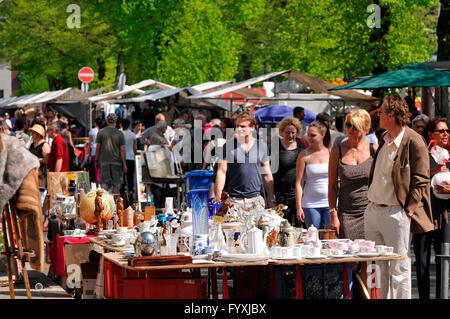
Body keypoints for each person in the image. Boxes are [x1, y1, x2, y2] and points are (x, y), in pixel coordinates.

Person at [365, 94, 434, 299]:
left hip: (396, 213)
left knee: (399, 269)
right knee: (374, 267)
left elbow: (421, 180)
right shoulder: (383, 137)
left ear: (393, 114)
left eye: (382, 112)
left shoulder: (413, 140)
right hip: (373, 210)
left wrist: (408, 212)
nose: (378, 116)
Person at [412, 117, 450, 299]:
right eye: (441, 131)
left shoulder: (449, 155)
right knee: (422, 263)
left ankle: (442, 295)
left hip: (445, 215)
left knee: (445, 259)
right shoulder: (422, 154)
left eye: (447, 131)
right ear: (430, 134)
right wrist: (433, 172)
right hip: (424, 214)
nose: (445, 134)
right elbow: (412, 180)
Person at [328, 109, 377, 240]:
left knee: (368, 256)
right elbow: (332, 186)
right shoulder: (337, 150)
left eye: (355, 126)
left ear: (365, 128)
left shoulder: (374, 149)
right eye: (348, 125)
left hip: (370, 211)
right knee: (348, 255)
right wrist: (333, 214)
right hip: (346, 212)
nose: (350, 129)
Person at [215, 111, 275, 210]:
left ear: (252, 127)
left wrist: (271, 198)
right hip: (234, 200)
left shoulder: (262, 146)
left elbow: (267, 174)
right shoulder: (228, 146)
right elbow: (221, 171)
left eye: (243, 126)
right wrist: (218, 194)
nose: (239, 129)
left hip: (256, 200)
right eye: (237, 126)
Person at [295, 120, 331, 229]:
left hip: (330, 203)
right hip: (310, 204)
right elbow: (299, 182)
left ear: (323, 135)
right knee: (313, 238)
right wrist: (299, 207)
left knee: (333, 239)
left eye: (313, 135)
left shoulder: (331, 153)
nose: (309, 138)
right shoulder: (304, 154)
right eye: (308, 135)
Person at [273, 117, 307, 227]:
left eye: (293, 132)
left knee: (300, 225)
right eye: (287, 132)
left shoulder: (302, 144)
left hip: (300, 192)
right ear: (282, 132)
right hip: (281, 193)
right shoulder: (276, 146)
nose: (291, 135)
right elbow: (270, 170)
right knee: (283, 225)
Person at [202, 117, 234, 200]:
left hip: (216, 166)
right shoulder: (229, 141)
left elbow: (207, 158)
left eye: (223, 127)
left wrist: (203, 169)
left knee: (213, 191)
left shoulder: (216, 142)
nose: (222, 129)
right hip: (223, 167)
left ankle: (215, 203)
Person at [96, 113, 127, 194]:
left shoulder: (101, 132)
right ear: (116, 122)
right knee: (116, 184)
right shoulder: (119, 133)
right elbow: (122, 149)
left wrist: (96, 160)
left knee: (104, 183)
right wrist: (124, 164)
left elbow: (98, 148)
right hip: (117, 162)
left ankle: (104, 202)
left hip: (104, 161)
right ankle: (116, 205)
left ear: (107, 121)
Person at [120, 118, 137, 197]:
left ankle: (122, 195)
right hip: (131, 158)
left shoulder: (119, 134)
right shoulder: (133, 135)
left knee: (122, 178)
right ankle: (131, 193)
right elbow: (135, 148)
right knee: (130, 178)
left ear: (121, 125)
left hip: (120, 158)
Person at [89, 117, 103, 184]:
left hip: (94, 150)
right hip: (103, 150)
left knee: (96, 168)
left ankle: (98, 182)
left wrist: (89, 151)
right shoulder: (103, 130)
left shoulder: (92, 131)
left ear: (95, 123)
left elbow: (90, 142)